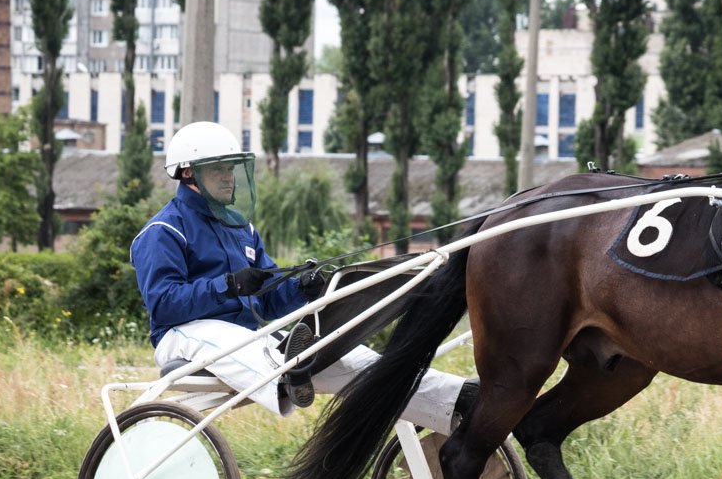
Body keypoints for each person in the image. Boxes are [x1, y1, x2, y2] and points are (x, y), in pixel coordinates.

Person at [130, 121, 474, 433]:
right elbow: (163, 305)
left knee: (360, 360)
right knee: (249, 345)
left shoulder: (240, 228)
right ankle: (287, 376)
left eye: (232, 168)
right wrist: (229, 286)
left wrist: (301, 288)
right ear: (188, 173)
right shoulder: (163, 230)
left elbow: (268, 299)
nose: (229, 177)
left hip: (251, 335)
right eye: (218, 169)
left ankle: (460, 397)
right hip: (184, 334)